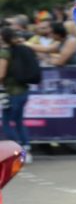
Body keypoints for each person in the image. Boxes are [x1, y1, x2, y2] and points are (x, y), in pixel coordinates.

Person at [0, 28, 32, 161]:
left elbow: (1, 74)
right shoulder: (20, 49)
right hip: (23, 90)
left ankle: (18, 152)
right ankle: (26, 152)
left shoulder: (4, 53)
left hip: (11, 92)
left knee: (6, 122)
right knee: (19, 122)